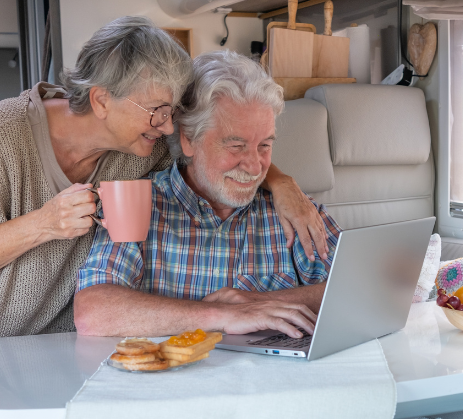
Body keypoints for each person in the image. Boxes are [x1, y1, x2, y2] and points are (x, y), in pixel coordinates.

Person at [0, 17, 329, 339]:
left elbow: (224, 151)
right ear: (102, 101)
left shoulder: (143, 145)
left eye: (172, 112)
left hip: (64, 345)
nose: (167, 127)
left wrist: (282, 182)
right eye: (157, 112)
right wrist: (45, 223)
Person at [74, 50, 343, 338]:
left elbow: (368, 286)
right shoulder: (139, 205)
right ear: (189, 140)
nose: (254, 166)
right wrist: (224, 316)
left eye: (264, 145)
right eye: (236, 146)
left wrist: (259, 303)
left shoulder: (294, 210)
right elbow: (93, 313)